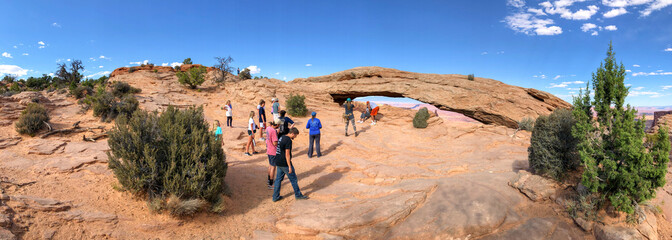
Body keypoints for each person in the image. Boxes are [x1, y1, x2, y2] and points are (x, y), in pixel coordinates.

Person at [272, 127, 309, 202]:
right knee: (293, 179)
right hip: (284, 163)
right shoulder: (288, 140)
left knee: (278, 180)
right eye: (295, 136)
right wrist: (289, 166)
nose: (295, 137)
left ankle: (275, 197)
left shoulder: (282, 137)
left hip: (278, 161)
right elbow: (287, 154)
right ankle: (298, 195)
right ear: (292, 133)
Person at [265, 121, 279, 189]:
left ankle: (268, 180)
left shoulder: (268, 128)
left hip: (269, 150)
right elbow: (275, 143)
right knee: (273, 167)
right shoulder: (273, 131)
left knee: (270, 166)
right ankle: (271, 184)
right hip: (273, 151)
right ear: (277, 125)